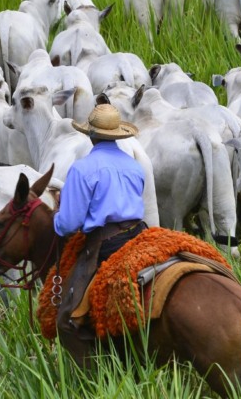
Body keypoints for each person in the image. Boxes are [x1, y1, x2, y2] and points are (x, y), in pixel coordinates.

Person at [53, 103, 147, 366]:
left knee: (67, 318)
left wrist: (57, 218)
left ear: (90, 135)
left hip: (105, 244)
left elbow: (69, 224)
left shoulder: (83, 169)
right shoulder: (133, 165)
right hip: (139, 235)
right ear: (117, 134)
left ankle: (93, 373)